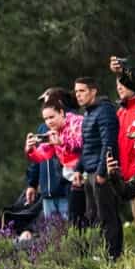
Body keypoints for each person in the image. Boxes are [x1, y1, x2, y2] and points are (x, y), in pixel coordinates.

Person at [75, 76, 124, 259]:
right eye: (76, 91)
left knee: (107, 217)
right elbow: (88, 145)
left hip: (100, 173)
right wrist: (79, 170)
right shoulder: (89, 112)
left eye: (82, 91)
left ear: (93, 91)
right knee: (94, 217)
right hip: (90, 172)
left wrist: (102, 172)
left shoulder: (104, 111)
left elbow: (108, 143)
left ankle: (113, 256)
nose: (78, 95)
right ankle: (101, 255)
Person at [25, 91, 83, 221]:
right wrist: (30, 149)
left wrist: (62, 142)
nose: (48, 122)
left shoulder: (76, 121)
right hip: (68, 180)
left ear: (61, 111)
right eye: (46, 119)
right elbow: (41, 155)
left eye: (51, 117)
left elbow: (83, 144)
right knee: (58, 231)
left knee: (80, 222)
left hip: (82, 178)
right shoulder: (52, 130)